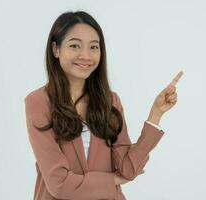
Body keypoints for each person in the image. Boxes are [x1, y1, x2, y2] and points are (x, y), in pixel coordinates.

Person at [25, 10, 183, 200]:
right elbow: (59, 184)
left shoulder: (110, 101)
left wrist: (155, 114)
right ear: (56, 49)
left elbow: (128, 168)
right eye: (75, 45)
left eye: (94, 47)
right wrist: (114, 180)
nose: (86, 55)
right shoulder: (38, 102)